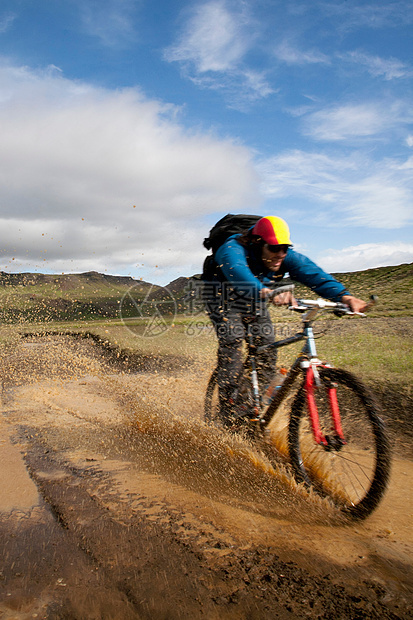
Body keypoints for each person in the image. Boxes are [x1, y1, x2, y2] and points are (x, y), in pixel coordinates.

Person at [204, 215, 368, 426]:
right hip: (221, 295)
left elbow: (313, 274)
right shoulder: (232, 248)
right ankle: (229, 407)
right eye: (274, 248)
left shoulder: (284, 256)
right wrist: (267, 292)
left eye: (284, 248)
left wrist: (344, 296)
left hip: (257, 295)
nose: (280, 254)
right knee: (233, 340)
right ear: (257, 242)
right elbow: (238, 273)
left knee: (267, 346)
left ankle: (250, 403)